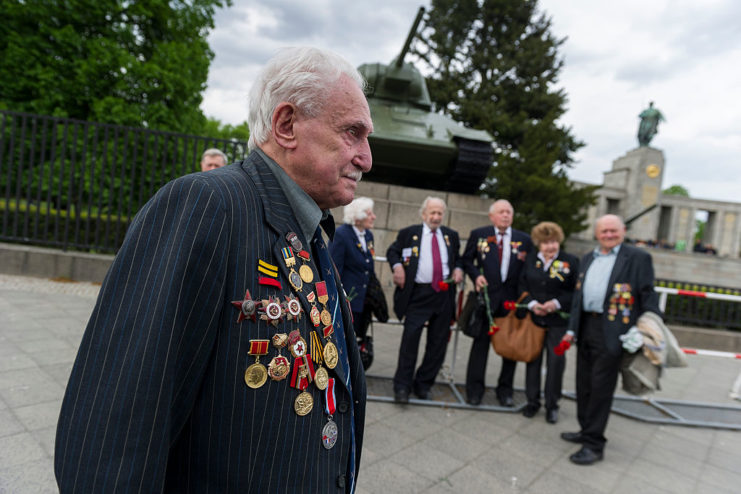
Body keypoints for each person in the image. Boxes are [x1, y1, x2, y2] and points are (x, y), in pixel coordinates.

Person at [55, 47, 373, 493]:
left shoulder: (313, 230)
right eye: (352, 133)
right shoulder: (207, 206)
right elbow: (116, 429)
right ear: (286, 125)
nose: (366, 157)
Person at [561, 214, 660, 465]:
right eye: (603, 231)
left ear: (623, 231)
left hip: (615, 332)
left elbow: (648, 296)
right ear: (597, 234)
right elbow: (577, 298)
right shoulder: (587, 258)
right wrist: (571, 329)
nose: (608, 235)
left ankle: (594, 444)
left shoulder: (638, 258)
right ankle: (586, 429)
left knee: (600, 388)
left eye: (613, 231)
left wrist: (645, 328)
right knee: (583, 384)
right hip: (586, 327)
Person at [386, 197, 463, 403]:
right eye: (433, 213)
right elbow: (392, 251)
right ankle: (402, 387)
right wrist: (397, 267)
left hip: (444, 295)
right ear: (424, 214)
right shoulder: (409, 233)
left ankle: (423, 384)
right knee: (410, 341)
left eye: (440, 213)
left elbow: (458, 258)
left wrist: (458, 268)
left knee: (438, 344)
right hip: (418, 295)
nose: (436, 217)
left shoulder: (451, 236)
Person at [461, 199, 533, 406]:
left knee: (510, 348)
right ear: (492, 216)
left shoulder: (524, 240)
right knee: (480, 347)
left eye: (509, 212)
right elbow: (466, 260)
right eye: (501, 212)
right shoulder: (479, 234)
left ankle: (505, 391)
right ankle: (474, 391)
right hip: (486, 300)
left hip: (511, 303)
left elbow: (527, 270)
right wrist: (476, 277)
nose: (505, 215)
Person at [517, 222, 579, 424]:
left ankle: (552, 405)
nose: (549, 246)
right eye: (545, 243)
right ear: (538, 244)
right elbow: (521, 285)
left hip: (558, 322)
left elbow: (575, 292)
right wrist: (532, 304)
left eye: (552, 242)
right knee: (532, 360)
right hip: (534, 319)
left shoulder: (571, 262)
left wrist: (556, 303)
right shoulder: (530, 261)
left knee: (556, 363)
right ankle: (532, 401)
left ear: (559, 241)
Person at [330, 197, 380, 352]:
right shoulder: (341, 235)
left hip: (364, 300)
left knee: (358, 341)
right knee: (344, 342)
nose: (374, 217)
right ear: (358, 217)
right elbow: (333, 269)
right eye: (369, 213)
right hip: (349, 300)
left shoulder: (368, 235)